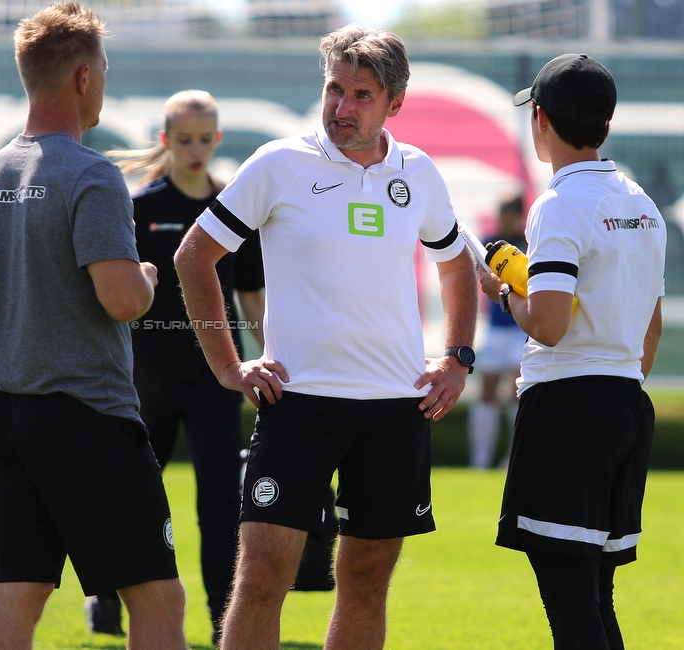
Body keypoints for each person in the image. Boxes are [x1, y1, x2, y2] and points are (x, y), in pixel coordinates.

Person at [174, 24, 477, 650]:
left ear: (394, 104)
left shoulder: (417, 171)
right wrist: (229, 368)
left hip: (397, 408)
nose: (342, 107)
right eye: (334, 89)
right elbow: (194, 257)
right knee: (261, 575)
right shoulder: (279, 164)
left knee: (366, 579)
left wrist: (458, 358)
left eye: (361, 95)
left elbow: (456, 263)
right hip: (298, 403)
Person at [0, 4, 188, 649]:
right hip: (84, 413)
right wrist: (146, 279)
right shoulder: (92, 173)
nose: (104, 82)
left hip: (4, 412)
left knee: (18, 592)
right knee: (159, 596)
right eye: (103, 70)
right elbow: (121, 301)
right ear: (83, 78)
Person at [480, 53, 665, 649]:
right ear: (606, 123)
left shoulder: (558, 206)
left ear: (540, 119)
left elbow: (550, 326)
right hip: (627, 404)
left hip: (569, 409)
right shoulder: (642, 203)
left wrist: (506, 292)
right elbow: (651, 329)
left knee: (571, 604)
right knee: (596, 600)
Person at [82, 89, 264, 643]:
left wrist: (276, 355)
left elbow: (253, 296)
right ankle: (107, 596)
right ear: (166, 140)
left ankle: (218, 620)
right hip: (144, 383)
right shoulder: (140, 207)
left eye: (205, 139)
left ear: (218, 140)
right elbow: (111, 296)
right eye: (183, 139)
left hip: (214, 381)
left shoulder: (233, 207)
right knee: (130, 497)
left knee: (218, 502)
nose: (195, 149)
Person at [467, 194, 527, 469]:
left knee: (518, 392)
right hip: (496, 329)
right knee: (487, 394)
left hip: (521, 329)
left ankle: (513, 458)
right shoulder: (489, 244)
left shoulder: (526, 246)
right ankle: (480, 460)